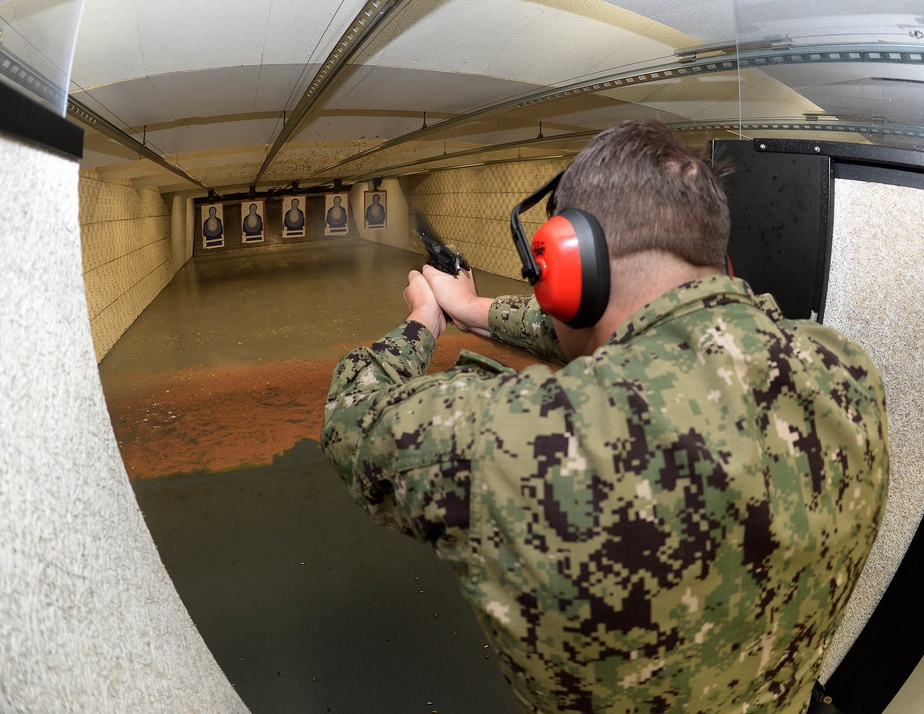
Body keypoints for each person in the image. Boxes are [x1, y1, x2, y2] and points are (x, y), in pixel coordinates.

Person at [321, 120, 889, 713]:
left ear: (568, 268)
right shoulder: (845, 372)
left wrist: (425, 322)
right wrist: (474, 308)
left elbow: (352, 414)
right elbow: (648, 330)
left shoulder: (527, 439)